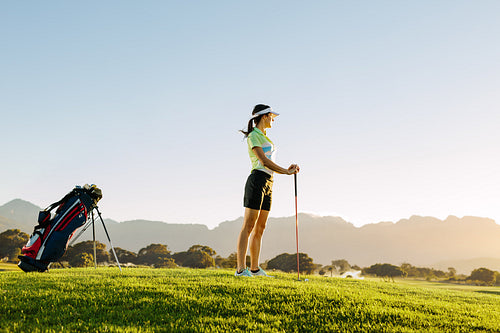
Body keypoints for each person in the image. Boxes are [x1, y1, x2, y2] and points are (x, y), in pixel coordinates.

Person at [236, 104, 300, 277]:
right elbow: (263, 161)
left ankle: (255, 269)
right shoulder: (254, 136)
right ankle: (241, 269)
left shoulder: (265, 137)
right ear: (265, 116)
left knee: (261, 226)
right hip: (257, 179)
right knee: (248, 225)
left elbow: (270, 163)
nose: (273, 120)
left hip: (269, 182)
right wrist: (286, 171)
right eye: (272, 116)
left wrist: (287, 169)